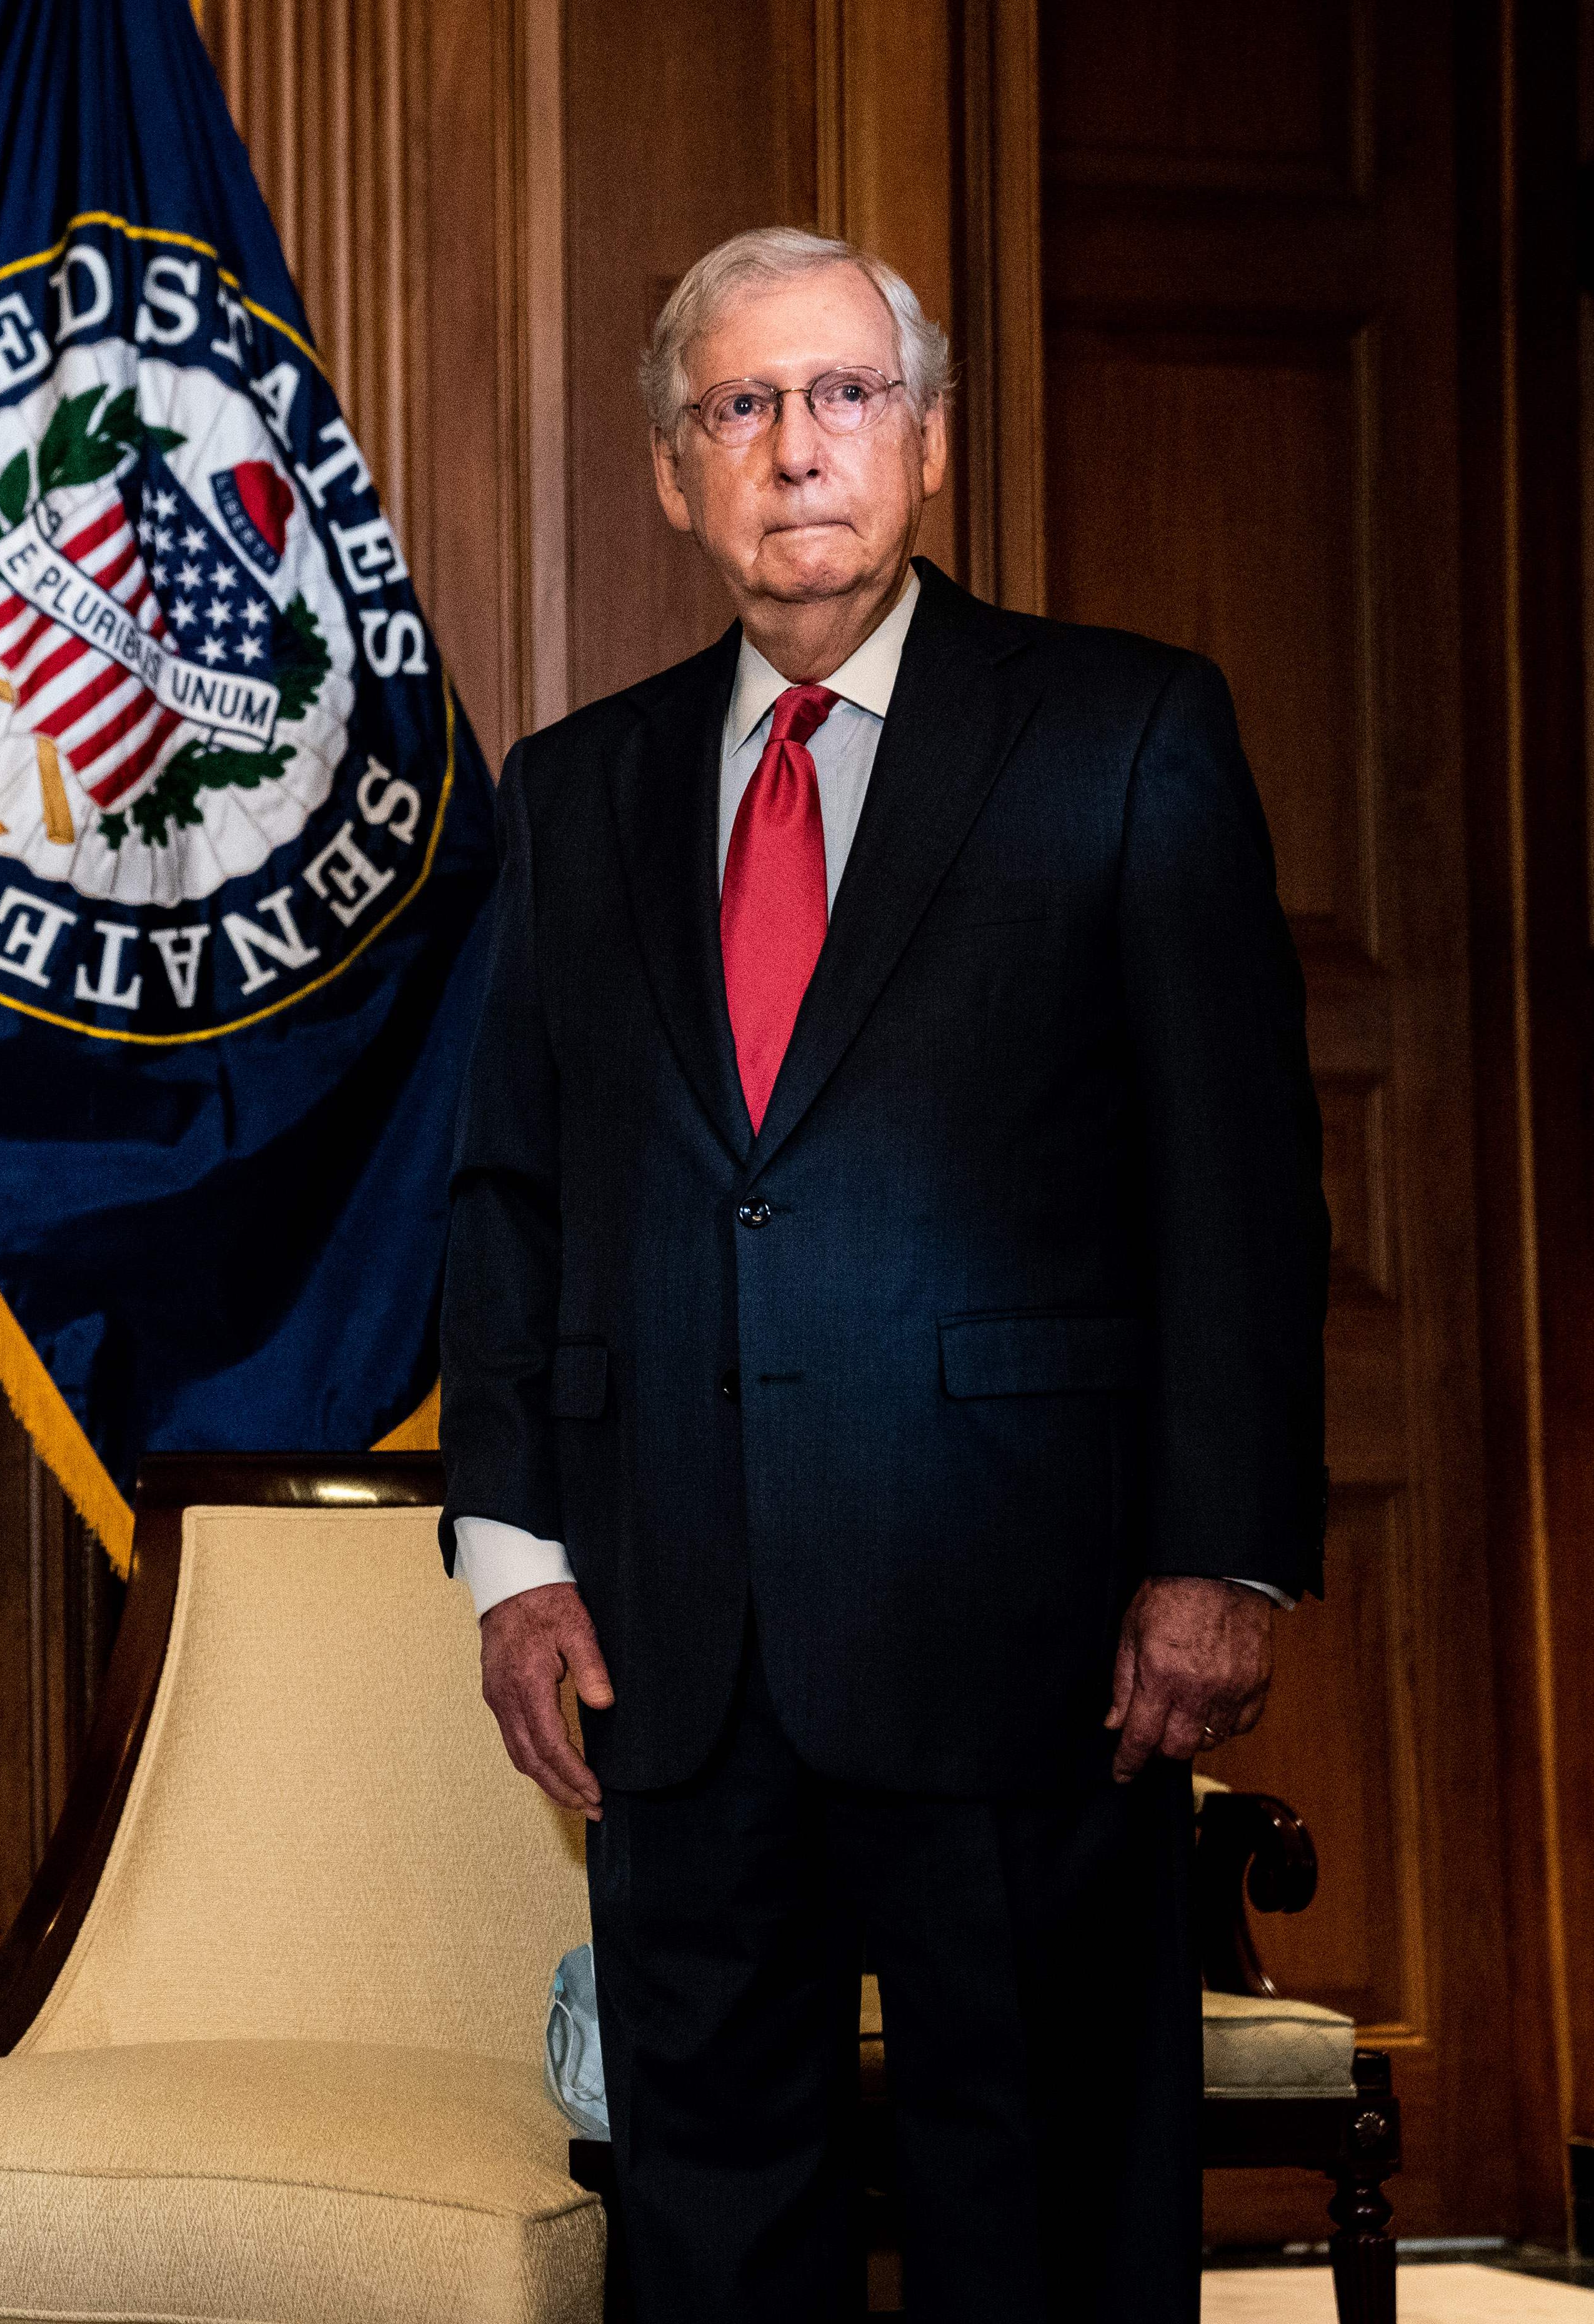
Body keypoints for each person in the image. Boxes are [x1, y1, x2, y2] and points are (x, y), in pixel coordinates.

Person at [441, 227, 1327, 2319]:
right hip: (672, 1639)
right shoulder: (575, 794)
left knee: (1038, 2221)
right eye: (737, 408)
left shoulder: (1123, 731)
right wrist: (509, 1555)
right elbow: (504, 1193)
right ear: (672, 474)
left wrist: (1224, 1554)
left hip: (1025, 1634)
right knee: (712, 2223)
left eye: (840, 397)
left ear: (923, 445)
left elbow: (1239, 1173)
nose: (792, 449)